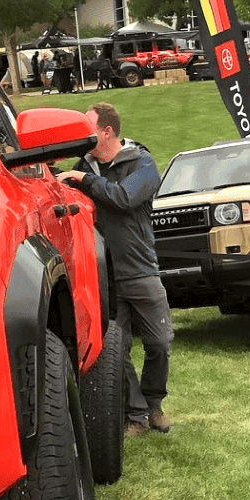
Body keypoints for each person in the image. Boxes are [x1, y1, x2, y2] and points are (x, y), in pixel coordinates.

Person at [57, 102, 174, 435]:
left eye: (88, 129)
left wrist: (84, 180)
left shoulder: (143, 164)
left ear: (107, 131)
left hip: (141, 271)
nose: (82, 137)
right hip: (102, 278)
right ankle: (135, 414)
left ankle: (154, 404)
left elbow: (123, 198)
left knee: (160, 342)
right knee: (115, 349)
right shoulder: (83, 166)